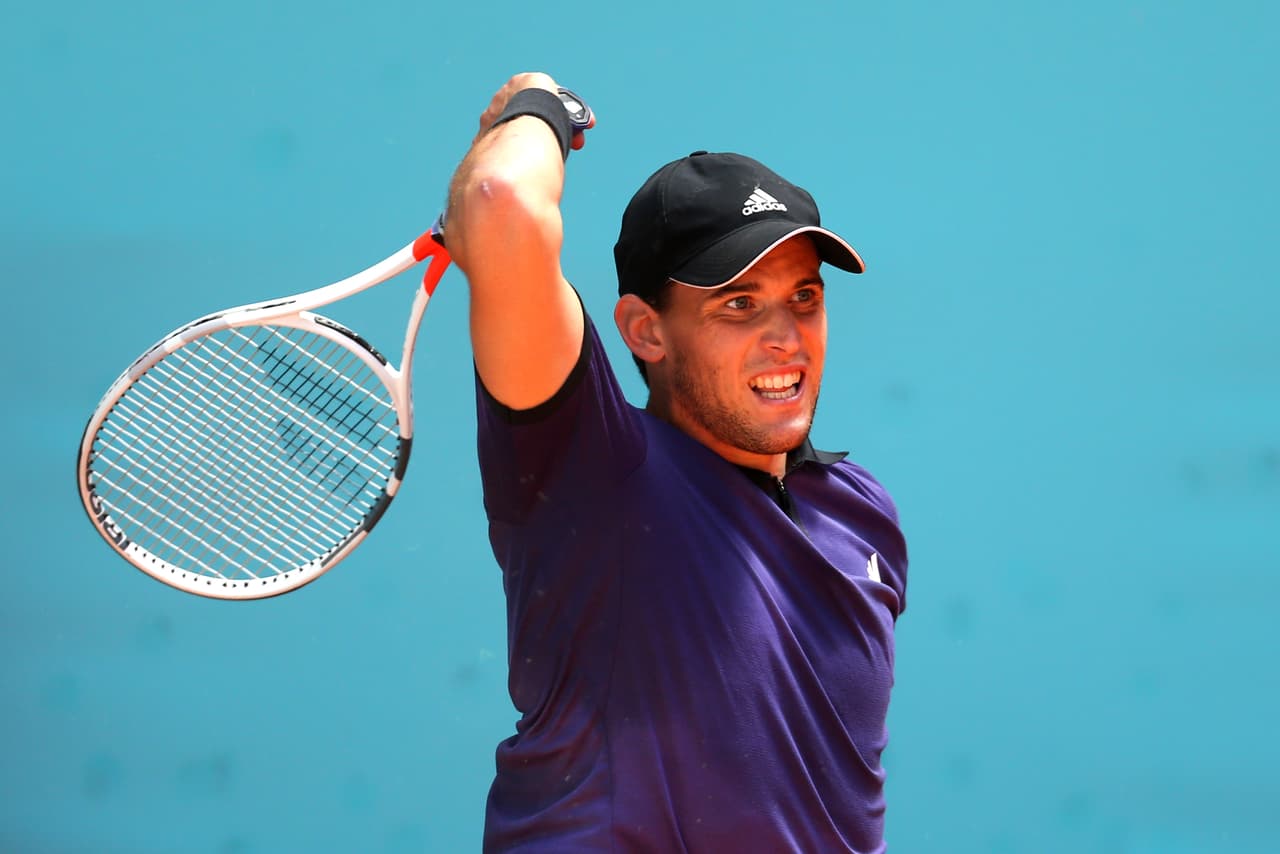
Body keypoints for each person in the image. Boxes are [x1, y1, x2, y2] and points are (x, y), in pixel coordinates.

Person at [445, 72, 909, 853]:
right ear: (645, 332)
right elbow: (500, 201)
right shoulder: (587, 468)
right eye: (738, 304)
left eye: (804, 297)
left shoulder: (863, 513)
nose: (786, 338)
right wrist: (538, 110)